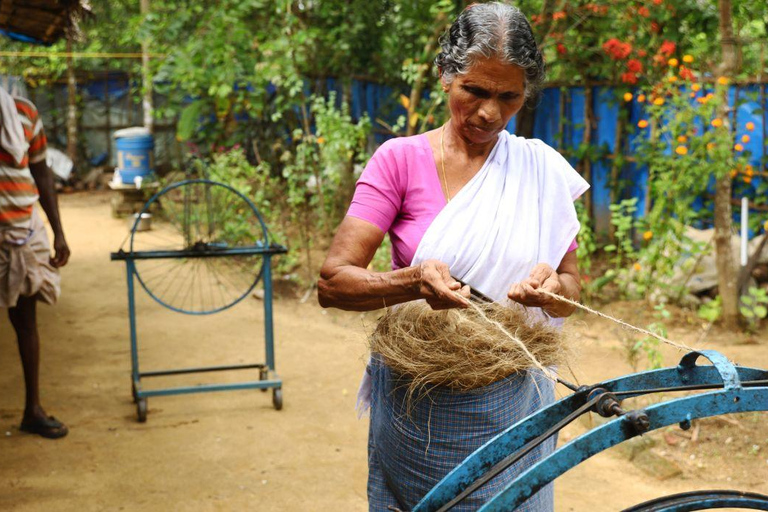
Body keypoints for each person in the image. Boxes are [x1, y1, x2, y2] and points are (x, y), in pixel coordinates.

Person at [318, 3, 589, 510]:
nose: (490, 112)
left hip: (517, 408)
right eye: (476, 91)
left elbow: (573, 291)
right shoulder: (399, 161)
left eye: (508, 97)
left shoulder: (540, 171)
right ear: (445, 76)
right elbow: (333, 284)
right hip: (419, 409)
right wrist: (412, 281)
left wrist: (552, 291)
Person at [0, 86, 70, 439]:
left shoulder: (25, 112)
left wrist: (58, 232)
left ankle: (33, 410)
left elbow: (42, 174)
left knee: (26, 322)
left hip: (19, 233)